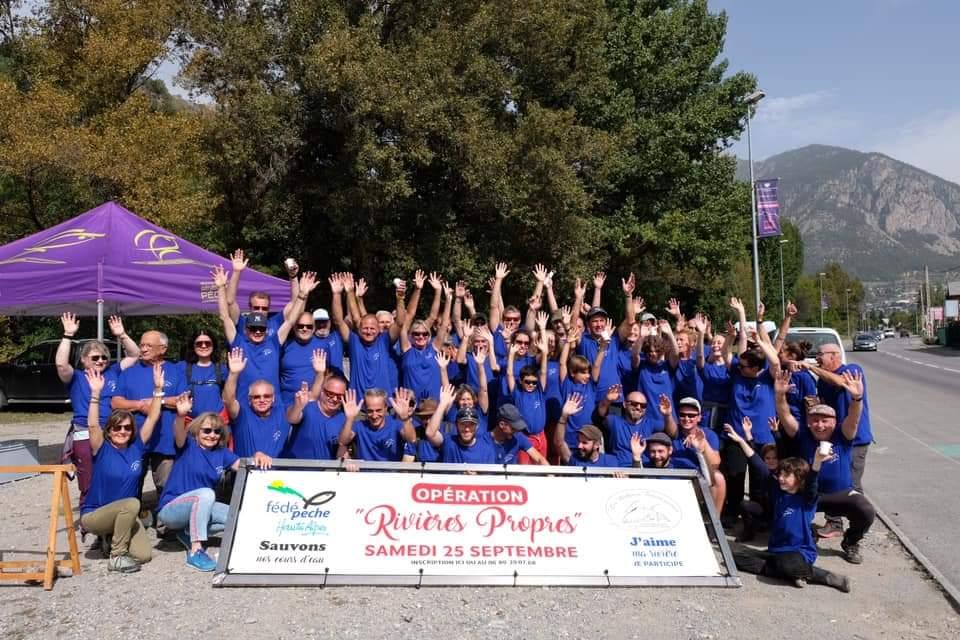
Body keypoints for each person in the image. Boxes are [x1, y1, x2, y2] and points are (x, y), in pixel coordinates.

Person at [724, 424, 851, 592]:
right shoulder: (778, 493)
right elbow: (759, 465)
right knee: (735, 557)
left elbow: (812, 481)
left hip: (799, 552)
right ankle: (794, 574)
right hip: (775, 551)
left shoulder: (807, 499)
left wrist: (817, 461)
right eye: (780, 475)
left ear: (799, 478)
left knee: (788, 563)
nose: (781, 478)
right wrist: (741, 440)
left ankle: (827, 577)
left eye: (786, 475)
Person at [158, 395, 272, 571]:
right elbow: (178, 432)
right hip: (172, 509)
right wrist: (181, 415)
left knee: (239, 516)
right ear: (197, 431)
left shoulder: (222, 453)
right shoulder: (187, 445)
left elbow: (244, 466)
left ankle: (187, 532)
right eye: (207, 431)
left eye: (217, 431)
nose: (212, 435)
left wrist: (258, 455)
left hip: (200, 507)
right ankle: (196, 550)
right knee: (206, 493)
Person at [774, 370, 875, 565]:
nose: (819, 425)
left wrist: (857, 398)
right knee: (787, 513)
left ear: (834, 422)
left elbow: (854, 417)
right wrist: (779, 395)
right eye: (815, 420)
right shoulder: (802, 434)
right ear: (808, 422)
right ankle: (806, 533)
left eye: (825, 420)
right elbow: (785, 414)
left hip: (841, 494)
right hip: (810, 494)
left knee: (865, 510)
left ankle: (851, 541)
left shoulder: (843, 435)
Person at [80, 366, 162, 573]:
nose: (122, 431)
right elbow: (92, 426)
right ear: (109, 431)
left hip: (125, 515)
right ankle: (117, 556)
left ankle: (109, 541)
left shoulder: (137, 447)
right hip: (95, 515)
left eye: (127, 427)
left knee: (144, 555)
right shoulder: (101, 447)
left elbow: (152, 418)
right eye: (117, 427)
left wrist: (158, 389)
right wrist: (95, 394)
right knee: (133, 503)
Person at [56, 312, 140, 511]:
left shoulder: (112, 372)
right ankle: (89, 519)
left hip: (112, 433)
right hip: (86, 433)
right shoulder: (76, 377)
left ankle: (112, 517)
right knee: (89, 480)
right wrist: (67, 335)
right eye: (95, 357)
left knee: (112, 477)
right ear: (84, 360)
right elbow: (61, 364)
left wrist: (122, 335)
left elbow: (135, 355)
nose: (101, 360)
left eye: (104, 357)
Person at [800, 341, 874, 538]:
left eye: (820, 354)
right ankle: (834, 522)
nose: (817, 358)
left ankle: (857, 530)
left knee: (851, 483)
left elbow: (841, 382)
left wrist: (811, 368)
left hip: (855, 438)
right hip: (833, 436)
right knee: (830, 480)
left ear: (834, 355)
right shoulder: (822, 381)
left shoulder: (852, 369)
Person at [214, 265, 314, 398]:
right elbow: (225, 315)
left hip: (272, 403)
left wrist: (301, 294)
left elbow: (291, 320)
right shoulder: (238, 342)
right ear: (246, 330)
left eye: (261, 328)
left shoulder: (273, 342)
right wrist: (222, 287)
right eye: (253, 328)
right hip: (245, 402)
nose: (257, 331)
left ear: (267, 330)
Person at [111, 330, 186, 498]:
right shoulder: (129, 372)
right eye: (142, 345)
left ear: (163, 348)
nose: (143, 349)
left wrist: (158, 401)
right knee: (130, 488)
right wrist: (140, 405)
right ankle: (132, 515)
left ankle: (165, 515)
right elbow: (115, 402)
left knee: (167, 489)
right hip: (134, 440)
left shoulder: (175, 371)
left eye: (149, 346)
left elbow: (183, 400)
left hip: (165, 441)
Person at [329, 272, 405, 395]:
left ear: (379, 330)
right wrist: (337, 294)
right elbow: (338, 321)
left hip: (382, 403)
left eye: (372, 328)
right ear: (358, 329)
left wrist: (400, 298)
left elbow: (400, 322)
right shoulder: (354, 341)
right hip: (358, 403)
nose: (368, 331)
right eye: (365, 328)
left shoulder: (384, 342)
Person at [223, 347, 291, 458]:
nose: (262, 400)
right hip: (246, 468)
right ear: (249, 400)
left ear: (274, 398)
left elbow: (301, 409)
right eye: (256, 397)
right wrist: (233, 374)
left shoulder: (283, 413)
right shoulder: (242, 414)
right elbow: (228, 400)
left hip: (278, 469)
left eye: (267, 396)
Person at [223, 248, 300, 338]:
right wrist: (236, 272)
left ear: (269, 308)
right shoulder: (242, 322)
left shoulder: (275, 322)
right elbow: (230, 301)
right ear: (250, 307)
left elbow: (295, 303)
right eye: (256, 308)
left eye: (264, 308)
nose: (260, 311)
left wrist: (293, 277)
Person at [505, 319, 551, 462]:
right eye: (527, 382)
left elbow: (543, 371)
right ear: (521, 381)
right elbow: (509, 374)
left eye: (534, 382)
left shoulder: (539, 391)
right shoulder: (517, 393)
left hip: (541, 436)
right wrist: (511, 355)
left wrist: (544, 353)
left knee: (542, 469)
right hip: (524, 437)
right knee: (524, 471)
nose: (531, 384)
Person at [283, 366, 348, 460]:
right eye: (330, 394)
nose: (334, 399)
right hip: (296, 467)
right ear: (322, 391)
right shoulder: (307, 407)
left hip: (324, 468)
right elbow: (291, 418)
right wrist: (298, 406)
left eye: (339, 396)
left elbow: (342, 450)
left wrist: (346, 459)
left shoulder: (343, 419)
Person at [337, 387, 417, 461]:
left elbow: (411, 440)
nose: (374, 416)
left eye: (378, 410)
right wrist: (350, 419)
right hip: (365, 470)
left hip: (391, 470)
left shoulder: (395, 424)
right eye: (370, 411)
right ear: (365, 409)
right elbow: (342, 442)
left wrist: (405, 419)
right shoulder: (359, 425)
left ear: (386, 408)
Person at [554, 394, 620, 467]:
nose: (579, 446)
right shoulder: (574, 460)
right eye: (579, 441)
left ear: (596, 444)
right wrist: (564, 416)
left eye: (584, 443)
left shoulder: (610, 462)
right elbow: (559, 443)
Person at [179, 329, 225, 419]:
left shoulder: (222, 369)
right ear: (193, 346)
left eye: (207, 343)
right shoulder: (181, 367)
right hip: (190, 422)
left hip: (215, 423)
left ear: (213, 345)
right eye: (199, 343)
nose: (204, 346)